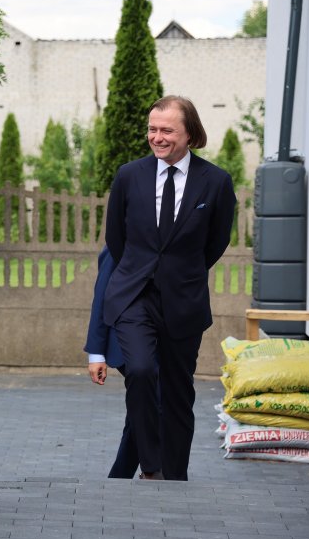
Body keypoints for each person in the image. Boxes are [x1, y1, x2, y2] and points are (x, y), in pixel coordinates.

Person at [103, 95, 236, 481]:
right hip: (134, 295)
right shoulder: (129, 176)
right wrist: (140, 272)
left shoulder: (216, 182)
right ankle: (152, 465)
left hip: (183, 301)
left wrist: (181, 274)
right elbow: (116, 238)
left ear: (190, 134)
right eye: (152, 129)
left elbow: (216, 243)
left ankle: (175, 478)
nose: (156, 137)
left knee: (179, 393)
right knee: (141, 370)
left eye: (166, 130)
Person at [84, 245, 138, 479]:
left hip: (162, 339)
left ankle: (123, 474)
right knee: (150, 402)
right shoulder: (119, 246)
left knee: (145, 406)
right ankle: (139, 471)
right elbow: (101, 297)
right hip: (126, 342)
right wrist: (96, 354)